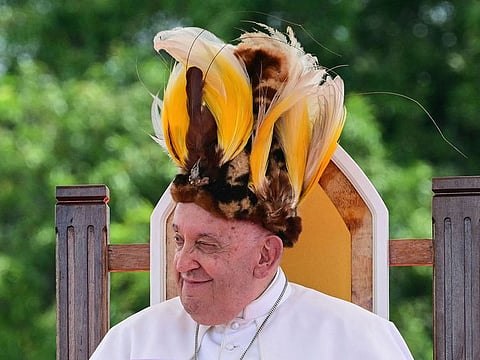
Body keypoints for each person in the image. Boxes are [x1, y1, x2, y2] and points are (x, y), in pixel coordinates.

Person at [90, 23, 414, 359]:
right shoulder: (130, 343)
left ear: (266, 256)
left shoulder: (357, 341)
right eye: (178, 240)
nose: (183, 262)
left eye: (205, 244)